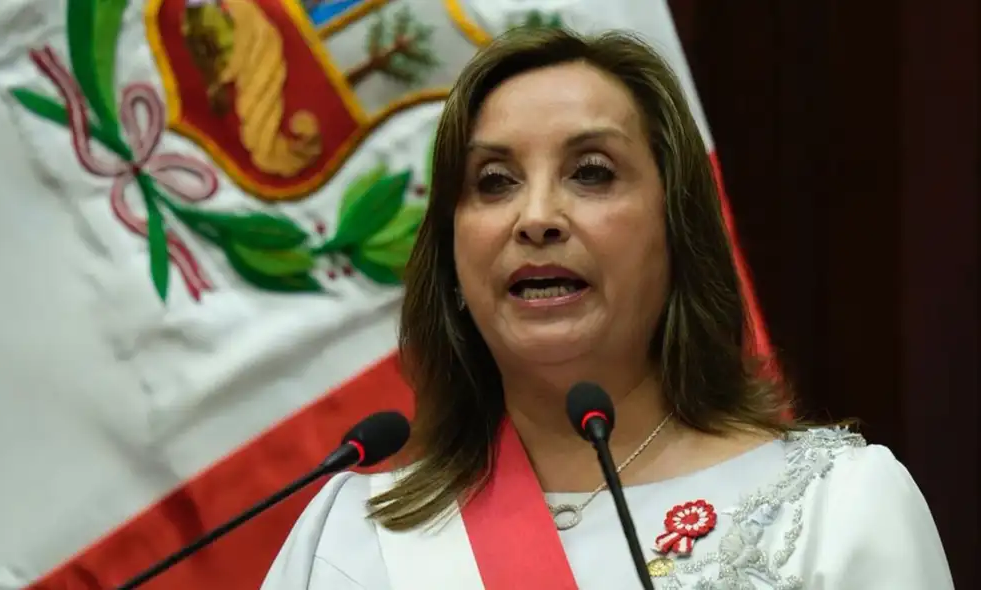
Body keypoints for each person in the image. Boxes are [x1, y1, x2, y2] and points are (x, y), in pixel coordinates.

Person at [260, 28, 954, 590]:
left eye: (592, 172)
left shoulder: (837, 507)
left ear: (678, 229)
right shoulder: (353, 535)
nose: (535, 217)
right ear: (450, 257)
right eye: (494, 182)